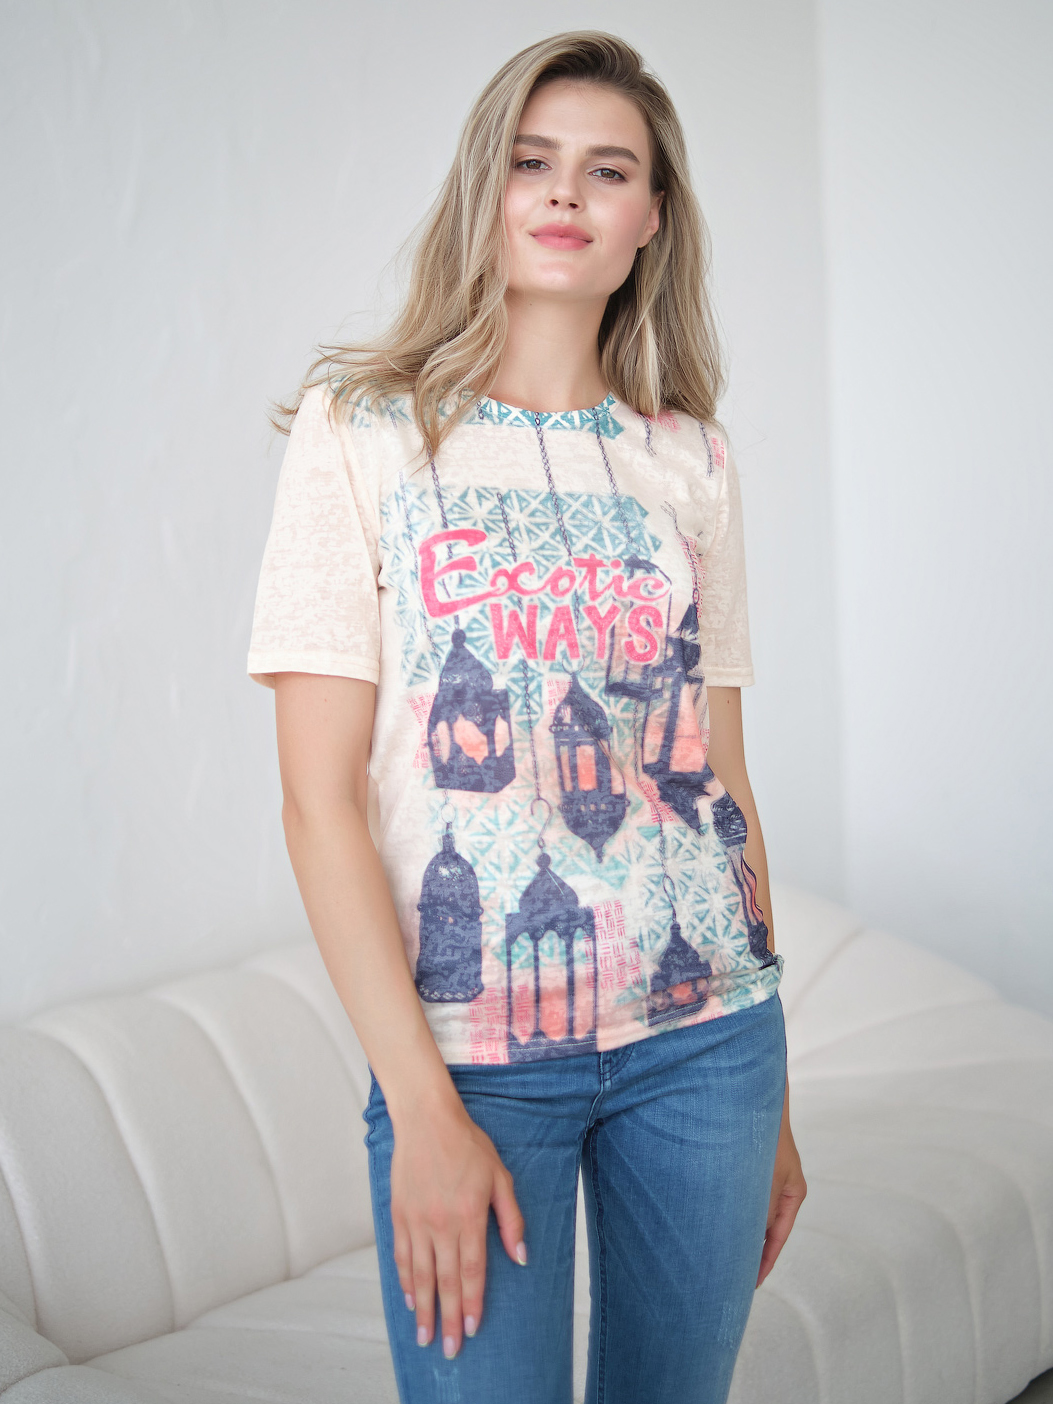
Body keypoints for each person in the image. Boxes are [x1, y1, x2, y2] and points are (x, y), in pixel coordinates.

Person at [247, 30, 806, 1404]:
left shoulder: (690, 460)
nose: (564, 192)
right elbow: (316, 804)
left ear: (650, 218)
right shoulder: (362, 430)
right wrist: (420, 1107)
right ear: (483, 190)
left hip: (708, 1046)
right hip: (475, 1067)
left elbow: (722, 778)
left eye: (607, 170)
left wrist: (773, 1091)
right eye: (531, 160)